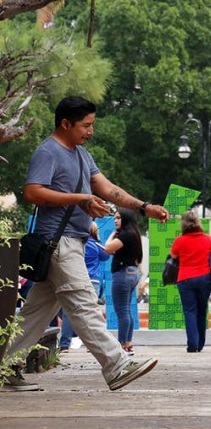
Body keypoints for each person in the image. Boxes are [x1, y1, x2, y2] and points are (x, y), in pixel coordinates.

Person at [3, 96, 168, 392]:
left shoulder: (80, 153)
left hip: (72, 241)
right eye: (85, 125)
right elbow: (32, 192)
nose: (90, 131)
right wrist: (80, 199)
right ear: (65, 124)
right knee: (84, 304)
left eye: (92, 125)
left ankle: (5, 367)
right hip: (58, 243)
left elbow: (107, 188)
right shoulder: (48, 151)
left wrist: (144, 207)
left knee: (34, 314)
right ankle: (116, 365)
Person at [59, 222, 109, 353]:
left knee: (67, 313)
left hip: (73, 278)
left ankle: (64, 345)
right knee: (91, 313)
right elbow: (106, 256)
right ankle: (93, 345)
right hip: (92, 282)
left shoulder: (75, 244)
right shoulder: (95, 245)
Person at [169, 211, 211, 353]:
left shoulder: (179, 240)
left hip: (185, 278)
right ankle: (200, 344)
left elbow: (173, 255)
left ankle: (192, 344)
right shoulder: (207, 239)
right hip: (204, 278)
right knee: (202, 310)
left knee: (190, 311)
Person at [104, 208, 142, 356]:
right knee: (127, 310)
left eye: (118, 218)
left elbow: (107, 248)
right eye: (115, 218)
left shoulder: (125, 235)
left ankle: (122, 345)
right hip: (133, 272)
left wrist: (113, 234)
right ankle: (128, 343)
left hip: (122, 273)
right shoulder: (134, 234)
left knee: (122, 311)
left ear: (125, 219)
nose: (115, 220)